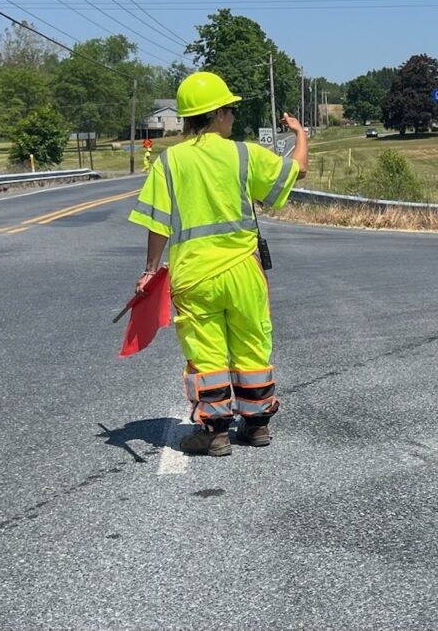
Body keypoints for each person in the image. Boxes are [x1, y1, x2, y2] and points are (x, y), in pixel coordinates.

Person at [127, 71, 308, 456]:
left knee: (207, 354)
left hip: (194, 276)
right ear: (219, 113)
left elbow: (157, 223)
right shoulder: (244, 155)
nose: (233, 117)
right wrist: (300, 135)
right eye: (230, 110)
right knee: (251, 345)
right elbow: (296, 172)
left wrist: (149, 270)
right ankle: (257, 425)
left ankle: (215, 433)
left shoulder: (170, 162)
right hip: (243, 270)